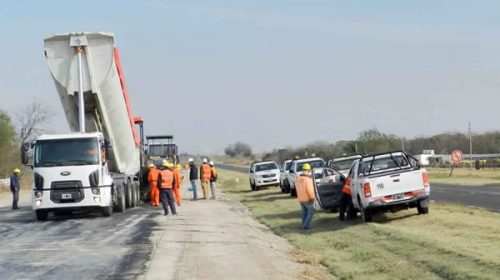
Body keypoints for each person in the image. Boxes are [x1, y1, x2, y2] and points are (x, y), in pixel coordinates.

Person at [295, 163, 315, 230]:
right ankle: (305, 226)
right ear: (309, 170)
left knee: (304, 213)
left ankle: (303, 224)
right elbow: (310, 190)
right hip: (307, 199)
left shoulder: (298, 179)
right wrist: (312, 198)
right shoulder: (308, 180)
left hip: (301, 199)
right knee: (310, 213)